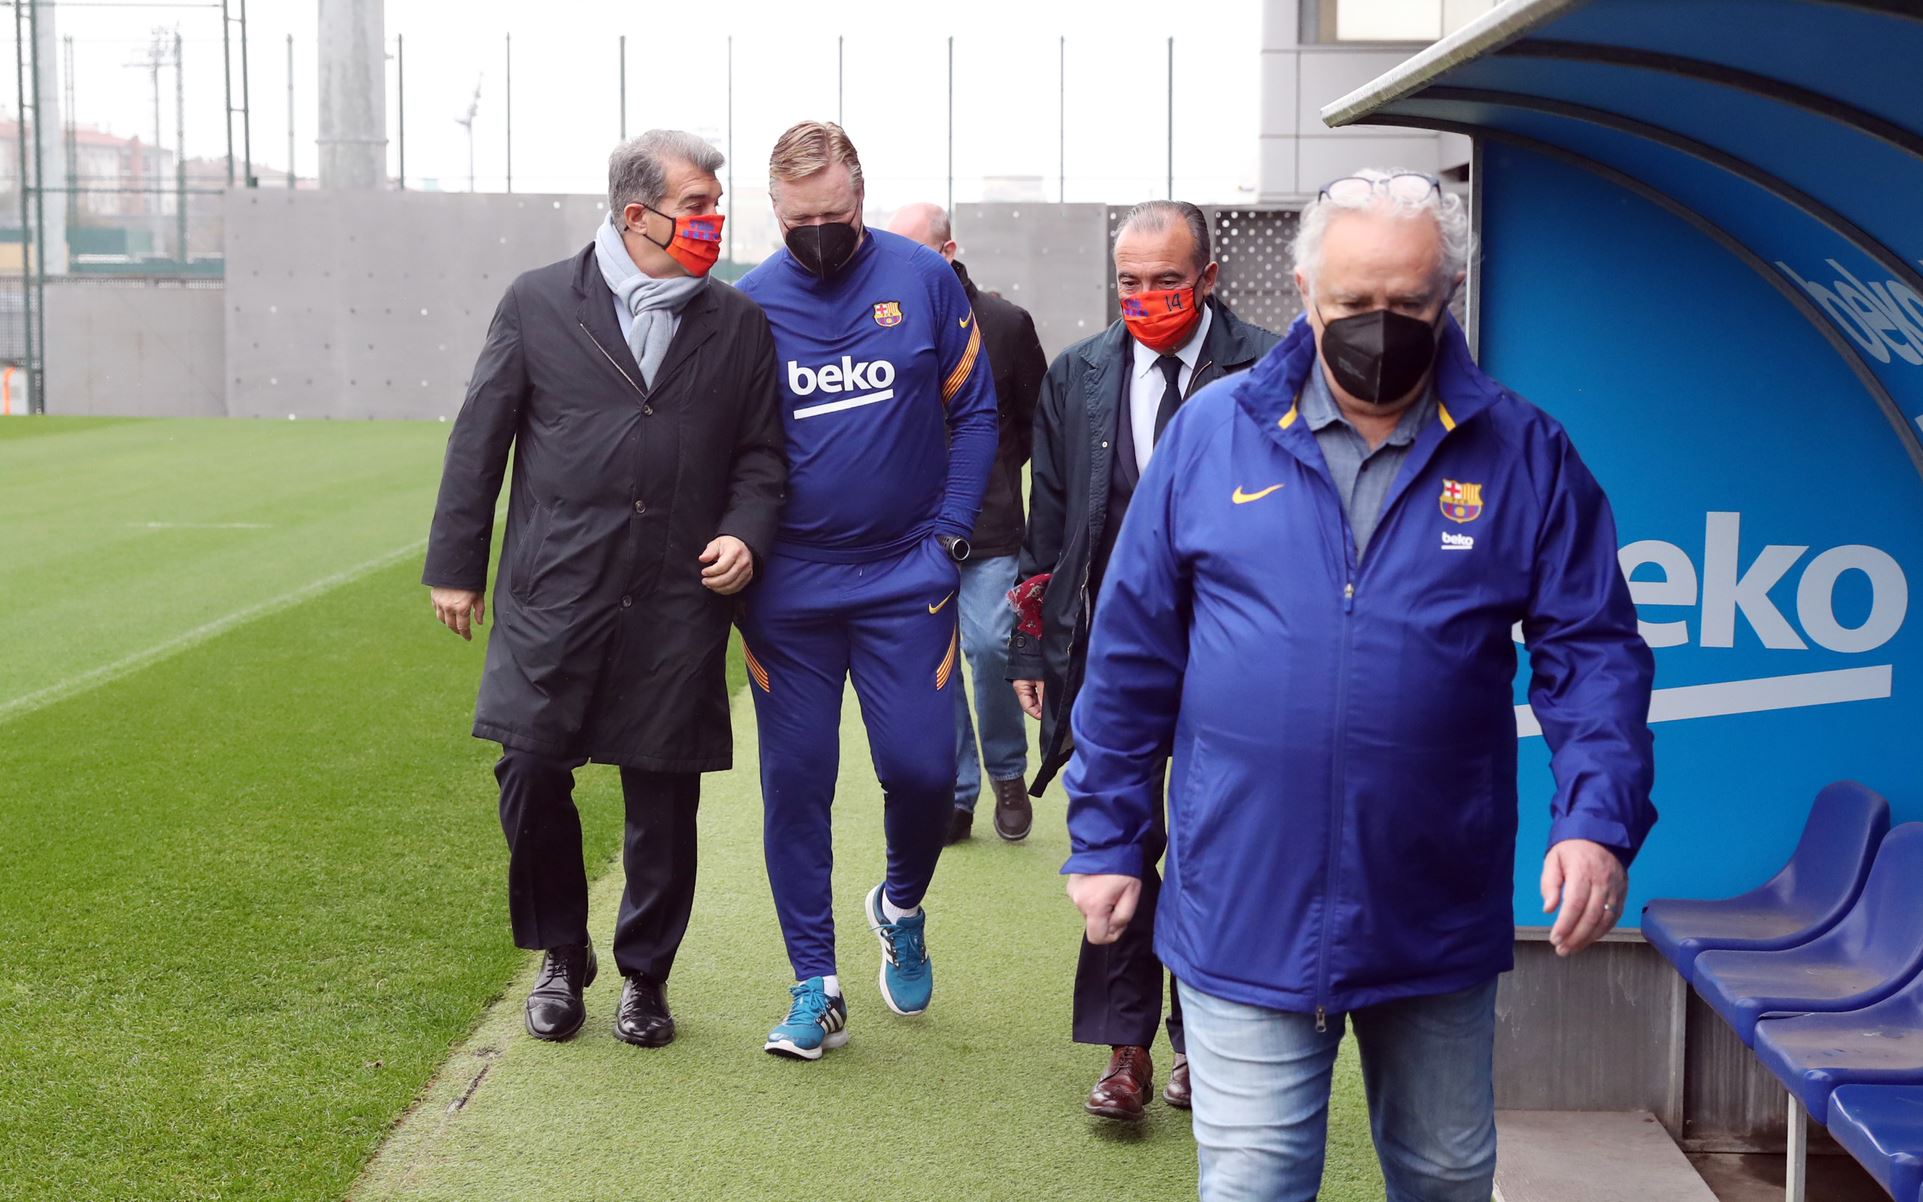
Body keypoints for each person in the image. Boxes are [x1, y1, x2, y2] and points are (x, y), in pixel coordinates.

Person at [1063, 169, 1658, 1200]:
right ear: (1302, 288)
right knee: (1254, 1179)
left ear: (1452, 294)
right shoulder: (1213, 436)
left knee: (1442, 1172)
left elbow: (1594, 648)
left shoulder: (1524, 451)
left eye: (1410, 304)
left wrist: (1596, 818)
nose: (1378, 328)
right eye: (1351, 304)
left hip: (1430, 901)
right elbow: (1130, 654)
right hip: (1242, 894)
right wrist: (1109, 834)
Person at [423, 130, 785, 1049]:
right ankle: (559, 950)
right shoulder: (541, 300)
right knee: (529, 767)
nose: (713, 220)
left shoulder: (737, 321)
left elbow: (761, 455)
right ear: (638, 214)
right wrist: (456, 564)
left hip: (677, 596)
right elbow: (481, 436)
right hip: (556, 588)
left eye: (714, 204)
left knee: (663, 790)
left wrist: (745, 530)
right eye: (698, 205)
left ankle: (645, 976)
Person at [1006, 200, 1278, 1121]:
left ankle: (1200, 1041)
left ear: (1207, 279)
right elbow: (1046, 530)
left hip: (1238, 649)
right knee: (1117, 839)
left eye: (1166, 280)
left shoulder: (1274, 366)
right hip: (1112, 648)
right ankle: (1122, 1047)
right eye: (1130, 281)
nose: (1146, 296)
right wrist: (1031, 648)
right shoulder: (1079, 373)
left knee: (1216, 841)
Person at [736, 123, 998, 1060]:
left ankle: (899, 904)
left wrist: (950, 533)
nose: (819, 231)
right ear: (775, 212)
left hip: (905, 578)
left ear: (862, 196)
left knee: (924, 773)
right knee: (795, 783)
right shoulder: (747, 306)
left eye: (836, 214)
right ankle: (816, 984)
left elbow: (974, 410)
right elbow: (722, 451)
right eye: (800, 218)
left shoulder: (922, 280)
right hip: (789, 592)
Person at [884, 202, 1046, 845]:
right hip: (913, 533)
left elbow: (1035, 424)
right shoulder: (885, 320)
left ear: (948, 251)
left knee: (987, 647)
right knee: (936, 661)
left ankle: (1008, 772)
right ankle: (957, 792)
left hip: (992, 528)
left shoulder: (1005, 324)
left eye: (914, 252)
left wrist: (992, 476)